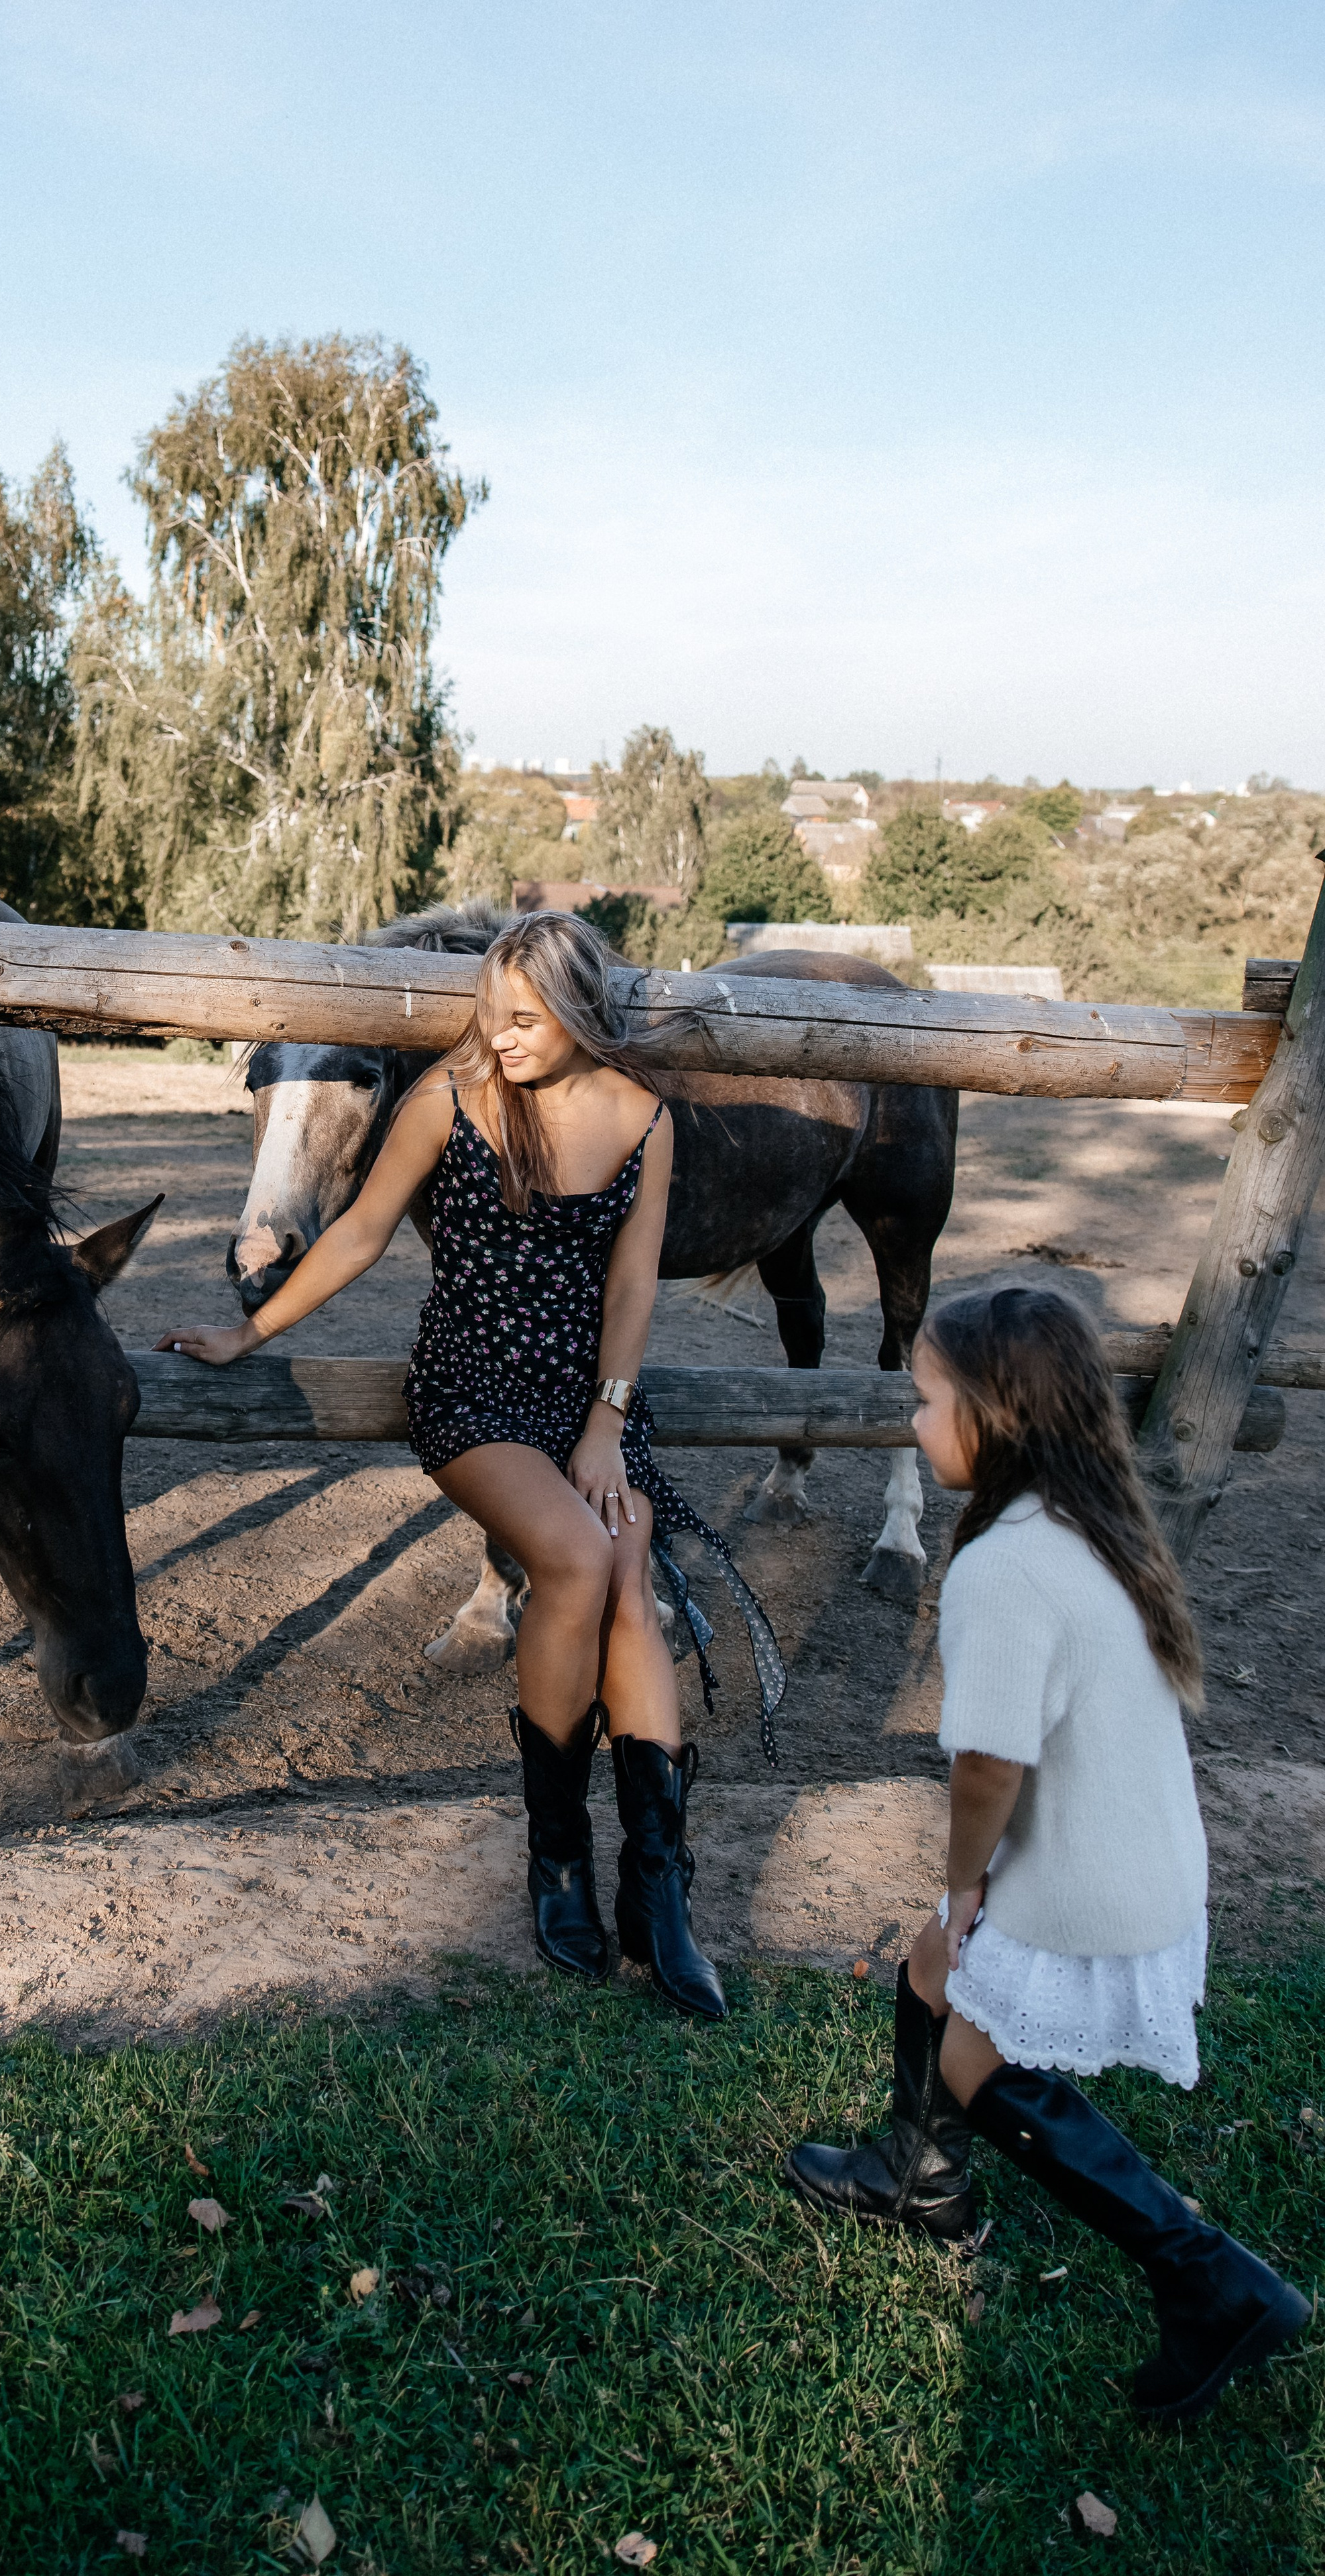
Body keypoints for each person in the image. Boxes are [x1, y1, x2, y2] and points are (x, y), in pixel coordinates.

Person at [158, 909, 783, 2019]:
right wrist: (249, 1334)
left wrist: (607, 1421)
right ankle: (557, 1859)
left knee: (632, 1576)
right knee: (585, 1562)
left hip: (588, 1403)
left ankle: (660, 1887)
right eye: (490, 1018)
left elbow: (635, 1287)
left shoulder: (643, 1117)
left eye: (526, 1021)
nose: (501, 1039)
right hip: (472, 1391)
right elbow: (355, 1235)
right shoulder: (447, 1100)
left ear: (582, 1013)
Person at [784, 1284, 1309, 2422]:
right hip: (1145, 1850)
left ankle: (1210, 2277)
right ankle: (917, 2176)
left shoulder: (1005, 1567)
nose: (913, 1424)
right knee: (930, 1967)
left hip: (1089, 1877)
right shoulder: (1089, 1517)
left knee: (975, 2050)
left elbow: (988, 1769)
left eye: (928, 1402)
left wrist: (965, 1882)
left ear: (997, 1416)